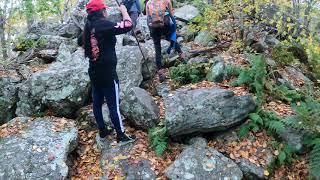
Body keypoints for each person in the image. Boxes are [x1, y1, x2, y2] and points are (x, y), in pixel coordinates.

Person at [78, 0, 135, 145]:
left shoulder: (88, 27)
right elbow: (128, 25)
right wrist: (123, 10)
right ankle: (121, 136)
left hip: (94, 72)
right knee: (113, 105)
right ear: (102, 12)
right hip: (108, 74)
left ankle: (102, 131)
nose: (107, 11)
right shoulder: (104, 25)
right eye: (105, 9)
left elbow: (80, 41)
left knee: (97, 103)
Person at [145, 0, 185, 70]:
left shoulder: (148, 2)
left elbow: (148, 18)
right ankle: (181, 55)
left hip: (154, 28)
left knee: (157, 48)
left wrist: (151, 31)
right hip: (165, 25)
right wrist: (174, 27)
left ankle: (160, 71)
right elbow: (171, 15)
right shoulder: (167, 1)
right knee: (172, 38)